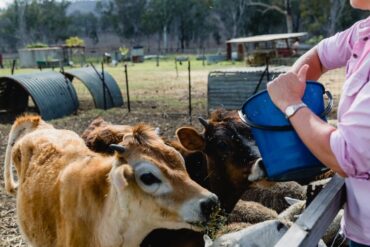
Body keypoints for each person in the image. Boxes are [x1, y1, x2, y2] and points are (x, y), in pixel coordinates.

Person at [266, 1, 370, 246]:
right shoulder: (363, 33)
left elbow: (345, 155)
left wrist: (292, 105)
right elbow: (319, 56)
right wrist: (295, 83)